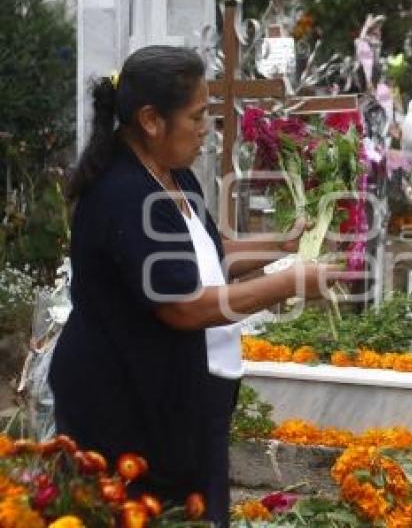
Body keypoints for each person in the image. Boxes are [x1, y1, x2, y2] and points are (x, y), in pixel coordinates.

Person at [49, 46, 339, 526]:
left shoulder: (173, 176)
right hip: (123, 402)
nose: (207, 127)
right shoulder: (124, 193)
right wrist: (287, 283)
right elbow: (182, 306)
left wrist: (285, 244)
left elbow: (208, 253)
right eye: (198, 115)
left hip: (184, 390)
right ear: (150, 119)